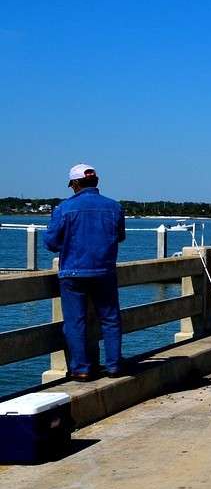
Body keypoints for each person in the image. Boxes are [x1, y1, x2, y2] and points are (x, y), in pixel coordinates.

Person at [44, 163, 126, 381]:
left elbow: (50, 242)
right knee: (110, 319)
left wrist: (69, 244)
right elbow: (119, 236)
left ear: (75, 183)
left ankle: (81, 369)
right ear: (95, 182)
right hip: (104, 271)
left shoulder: (64, 208)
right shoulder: (115, 207)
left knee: (75, 322)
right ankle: (114, 366)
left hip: (73, 272)